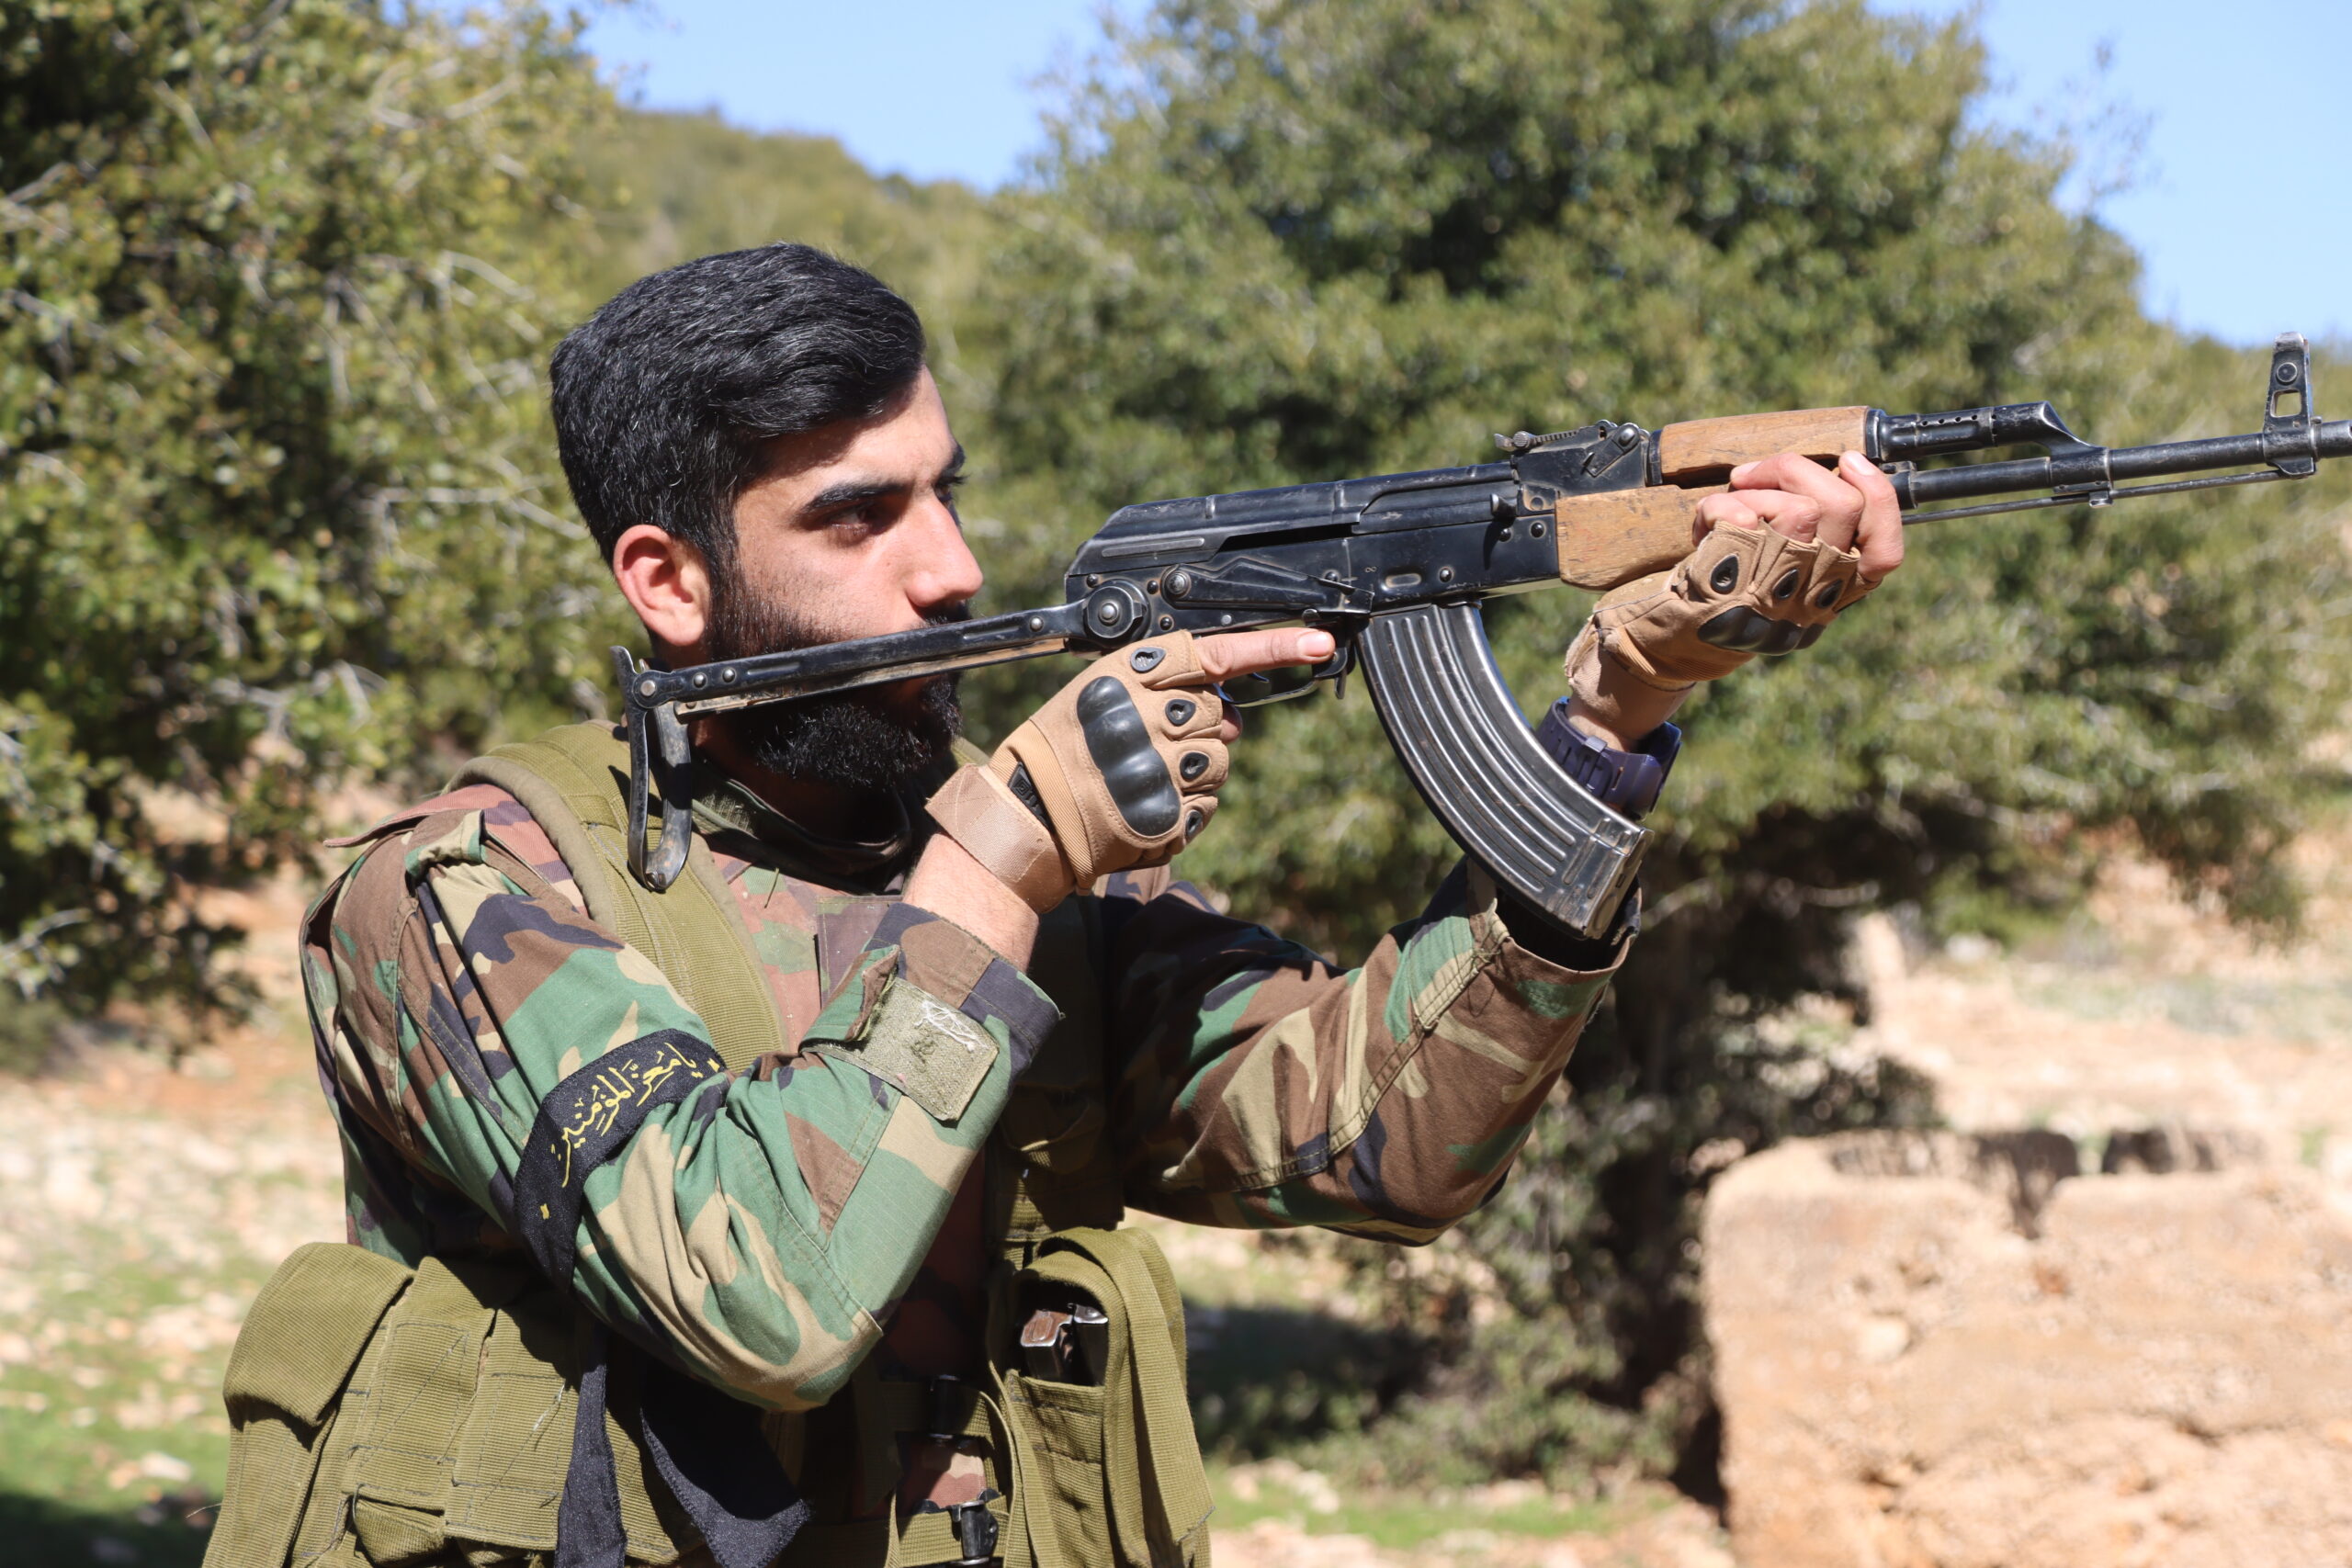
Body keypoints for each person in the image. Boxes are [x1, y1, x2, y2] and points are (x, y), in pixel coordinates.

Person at [206, 243, 1902, 1568]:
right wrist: (999, 864)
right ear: (670, 581)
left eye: (943, 489)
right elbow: (760, 1300)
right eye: (857, 517)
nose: (949, 567)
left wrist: (1608, 722)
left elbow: (1386, 1140)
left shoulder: (1022, 880)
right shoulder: (465, 896)